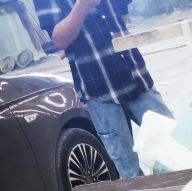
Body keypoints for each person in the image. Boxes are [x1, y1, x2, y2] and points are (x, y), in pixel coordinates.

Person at [35, 0, 172, 178]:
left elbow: (122, 12)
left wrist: (86, 36)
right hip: (98, 88)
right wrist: (81, 6)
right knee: (129, 170)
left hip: (135, 74)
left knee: (173, 147)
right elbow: (59, 39)